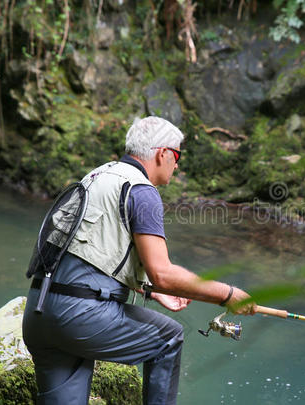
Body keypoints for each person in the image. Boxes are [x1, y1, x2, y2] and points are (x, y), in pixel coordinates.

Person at [22, 116, 256, 405]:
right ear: (163, 154)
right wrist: (228, 294)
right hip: (80, 318)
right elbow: (163, 274)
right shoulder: (141, 191)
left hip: (39, 312)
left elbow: (95, 253)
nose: (178, 165)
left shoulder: (97, 176)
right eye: (178, 156)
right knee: (169, 338)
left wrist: (151, 291)